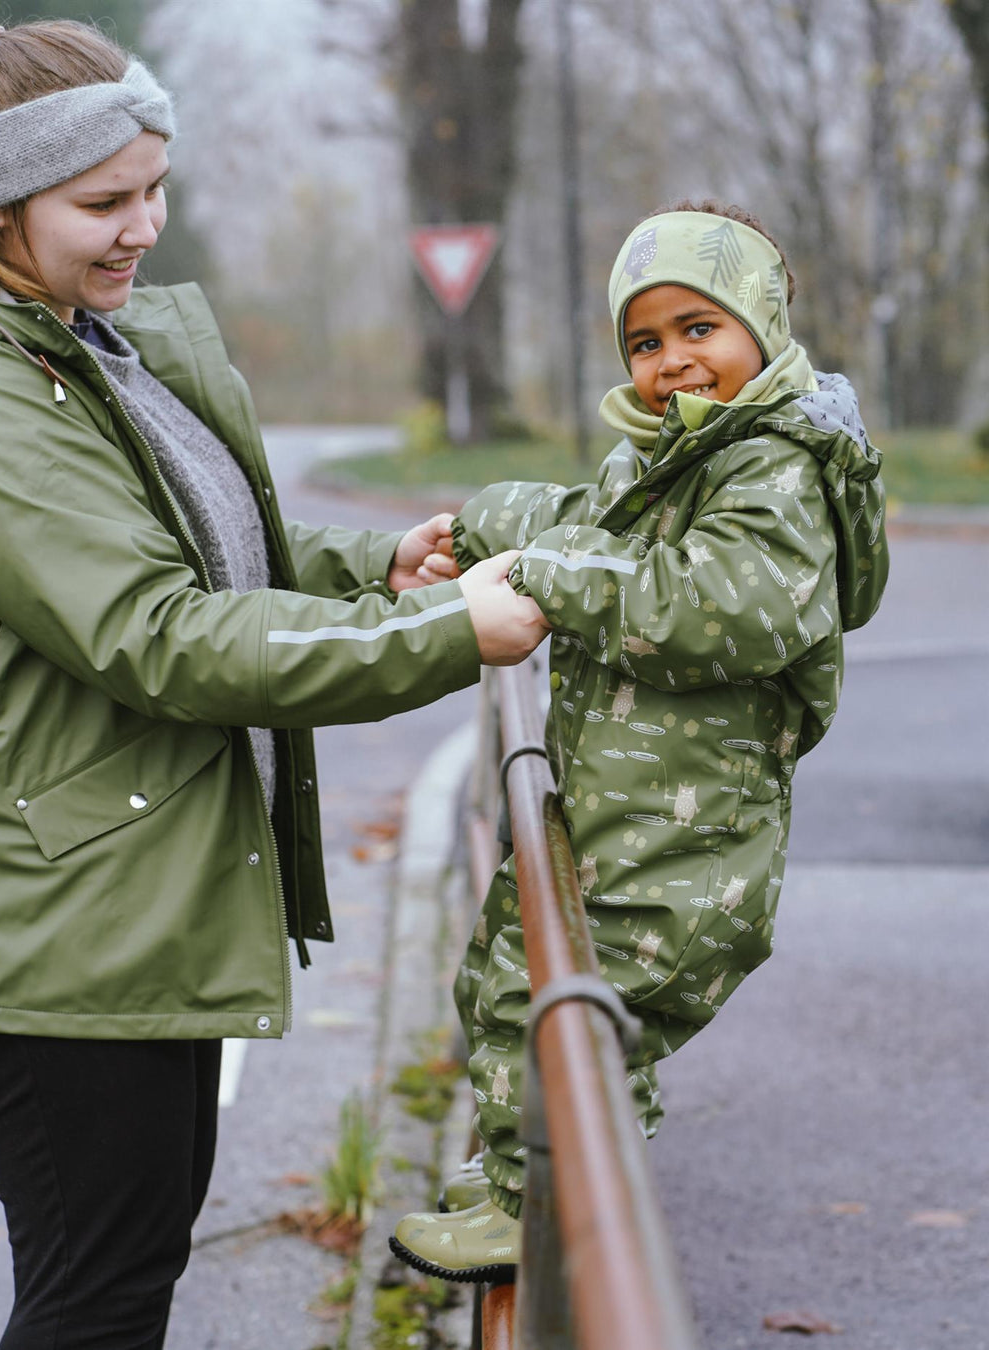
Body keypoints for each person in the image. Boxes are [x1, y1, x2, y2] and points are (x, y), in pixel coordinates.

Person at [0, 13, 550, 1347]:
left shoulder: (76, 341)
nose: (142, 226)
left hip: (120, 899)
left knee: (117, 1281)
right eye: (103, 201)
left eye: (155, 190)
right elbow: (160, 629)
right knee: (98, 1295)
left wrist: (378, 564)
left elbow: (204, 540)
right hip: (63, 932)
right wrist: (447, 638)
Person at [390, 200, 889, 1281]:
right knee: (515, 974)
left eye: (698, 328)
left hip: (689, 844)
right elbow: (594, 519)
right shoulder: (681, 456)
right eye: (645, 342)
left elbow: (718, 602)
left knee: (558, 1006)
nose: (674, 362)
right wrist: (494, 520)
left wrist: (539, 578)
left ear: (761, 321)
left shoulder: (775, 472)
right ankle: (539, 1179)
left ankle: (540, 1214)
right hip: (629, 820)